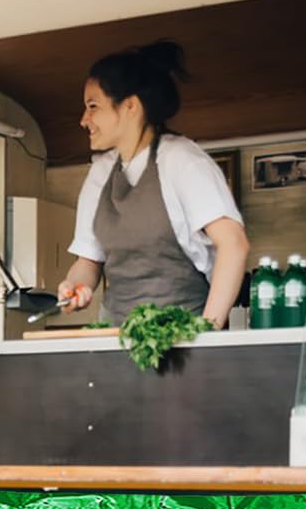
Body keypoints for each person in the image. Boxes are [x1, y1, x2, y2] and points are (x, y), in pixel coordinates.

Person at [57, 41, 249, 329]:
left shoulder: (182, 160)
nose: (84, 120)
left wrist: (206, 332)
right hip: (115, 338)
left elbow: (234, 244)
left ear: (130, 106)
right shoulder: (101, 172)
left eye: (93, 106)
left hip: (182, 339)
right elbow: (89, 261)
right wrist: (74, 286)